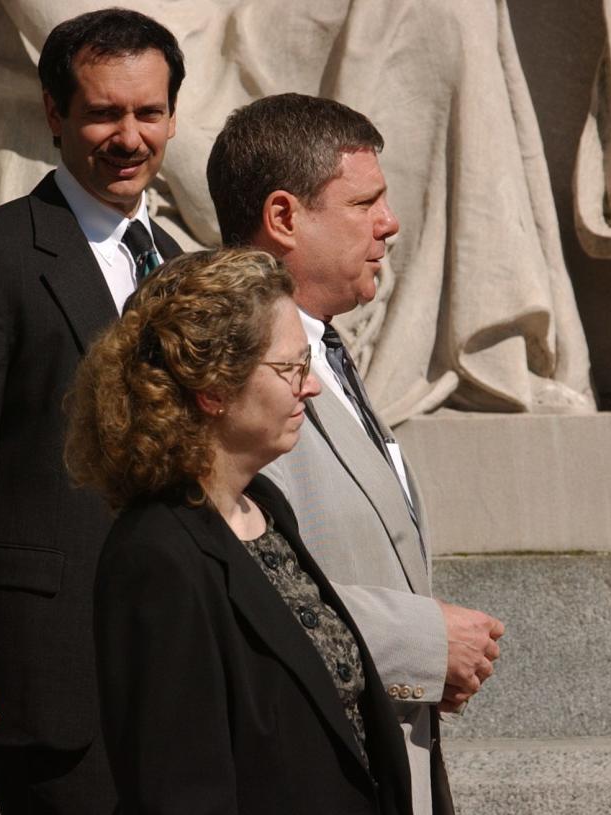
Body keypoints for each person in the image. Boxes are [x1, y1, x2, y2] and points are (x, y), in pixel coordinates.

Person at [0, 8, 183, 813]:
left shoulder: (188, 272)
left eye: (148, 112)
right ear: (55, 113)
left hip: (181, 653)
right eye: (104, 112)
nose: (129, 137)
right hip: (52, 665)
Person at [207, 93, 506, 815]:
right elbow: (221, 583)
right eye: (364, 201)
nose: (389, 223)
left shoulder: (326, 347)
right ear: (284, 217)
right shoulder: (228, 367)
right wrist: (420, 641)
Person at [67, 247, 413, 815]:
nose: (312, 387)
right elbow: (179, 788)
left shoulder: (265, 508)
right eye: (290, 367)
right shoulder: (157, 557)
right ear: (214, 388)